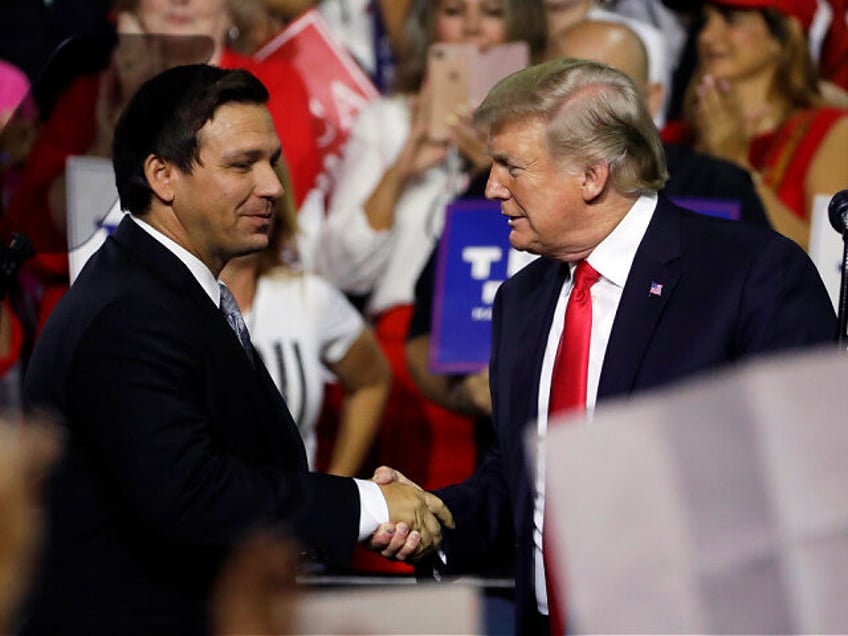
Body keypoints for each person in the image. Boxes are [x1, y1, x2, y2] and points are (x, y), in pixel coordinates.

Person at [375, 58, 836, 635]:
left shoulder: (750, 274)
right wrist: (436, 517)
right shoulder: (521, 300)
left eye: (510, 167)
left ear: (592, 175)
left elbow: (808, 475)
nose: (491, 187)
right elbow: (518, 477)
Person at [16, 64, 452, 636]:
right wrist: (363, 505)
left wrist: (359, 507)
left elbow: (244, 466)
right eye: (242, 164)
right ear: (162, 176)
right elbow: (190, 493)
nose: (273, 186)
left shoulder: (162, 287)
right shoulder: (130, 310)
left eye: (271, 161)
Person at [317, 0, 547, 493]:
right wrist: (401, 168)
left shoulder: (550, 132)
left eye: (491, 12)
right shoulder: (388, 120)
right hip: (405, 355)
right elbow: (340, 269)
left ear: (520, 28)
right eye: (453, 9)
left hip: (514, 342)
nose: (469, 25)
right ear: (431, 25)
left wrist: (491, 168)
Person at [220, 165, 390, 477]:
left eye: (270, 171)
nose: (266, 189)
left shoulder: (309, 297)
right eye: (241, 168)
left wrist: (338, 484)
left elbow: (372, 380)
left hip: (293, 521)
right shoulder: (157, 298)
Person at [547, 18, 770, 227]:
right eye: (559, 94)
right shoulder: (516, 184)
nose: (580, 115)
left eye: (606, 97)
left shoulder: (719, 189)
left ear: (651, 100)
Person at [666, 0, 848, 250]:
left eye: (731, 19)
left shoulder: (829, 133)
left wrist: (735, 165)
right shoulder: (672, 138)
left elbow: (832, 260)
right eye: (705, 21)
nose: (707, 36)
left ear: (783, 34)